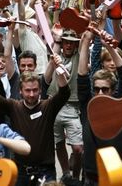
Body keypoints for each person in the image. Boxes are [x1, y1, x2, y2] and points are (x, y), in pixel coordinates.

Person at [0, 59, 70, 186]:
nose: (31, 94)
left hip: (46, 171)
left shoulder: (48, 105)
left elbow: (65, 93)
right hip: (21, 171)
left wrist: (58, 70)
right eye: (27, 90)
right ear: (20, 91)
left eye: (35, 90)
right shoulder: (14, 106)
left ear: (40, 90)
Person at [78, 30, 122, 186]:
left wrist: (110, 48)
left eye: (105, 89)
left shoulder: (119, 101)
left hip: (117, 173)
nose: (100, 93)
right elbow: (82, 77)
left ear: (113, 90)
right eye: (96, 89)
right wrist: (84, 44)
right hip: (92, 177)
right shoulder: (88, 104)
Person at [47, 29, 84, 185]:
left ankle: (75, 177)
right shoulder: (56, 57)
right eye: (65, 42)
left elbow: (84, 43)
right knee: (59, 143)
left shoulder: (79, 57)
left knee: (77, 148)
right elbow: (47, 78)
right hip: (54, 102)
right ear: (62, 43)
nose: (68, 45)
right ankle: (66, 174)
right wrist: (56, 41)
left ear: (75, 44)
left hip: (72, 106)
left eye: (71, 42)